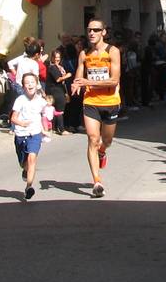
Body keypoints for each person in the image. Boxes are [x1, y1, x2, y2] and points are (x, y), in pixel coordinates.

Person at [71, 19, 120, 199]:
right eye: (89, 30)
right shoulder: (84, 54)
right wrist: (77, 83)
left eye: (96, 30)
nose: (91, 33)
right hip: (91, 101)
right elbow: (79, 72)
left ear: (103, 32)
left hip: (110, 101)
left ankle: (102, 151)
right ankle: (97, 181)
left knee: (106, 140)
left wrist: (87, 82)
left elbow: (114, 80)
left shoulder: (112, 52)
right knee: (92, 138)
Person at [10, 74, 47, 201]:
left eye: (32, 82)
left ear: (37, 84)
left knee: (32, 159)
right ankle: (25, 169)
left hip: (35, 134)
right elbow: (13, 118)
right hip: (21, 134)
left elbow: (43, 116)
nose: (30, 84)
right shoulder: (20, 100)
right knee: (23, 163)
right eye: (27, 83)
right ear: (23, 86)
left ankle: (29, 186)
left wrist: (44, 129)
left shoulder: (41, 101)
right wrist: (21, 123)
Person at [45, 48, 71, 135]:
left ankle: (55, 127)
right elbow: (58, 79)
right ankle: (61, 129)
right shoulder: (52, 67)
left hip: (60, 90)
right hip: (55, 91)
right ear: (52, 58)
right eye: (55, 57)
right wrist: (67, 75)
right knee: (59, 110)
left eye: (59, 57)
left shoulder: (59, 66)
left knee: (56, 110)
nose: (57, 59)